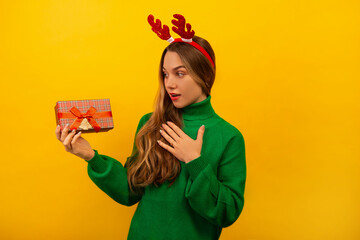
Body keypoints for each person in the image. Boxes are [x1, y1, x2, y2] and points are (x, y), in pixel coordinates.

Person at [55, 14, 246, 240]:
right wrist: (90, 157)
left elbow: (228, 212)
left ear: (204, 75)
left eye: (180, 73)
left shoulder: (230, 137)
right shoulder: (150, 123)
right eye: (165, 74)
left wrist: (195, 161)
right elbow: (130, 191)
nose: (169, 83)